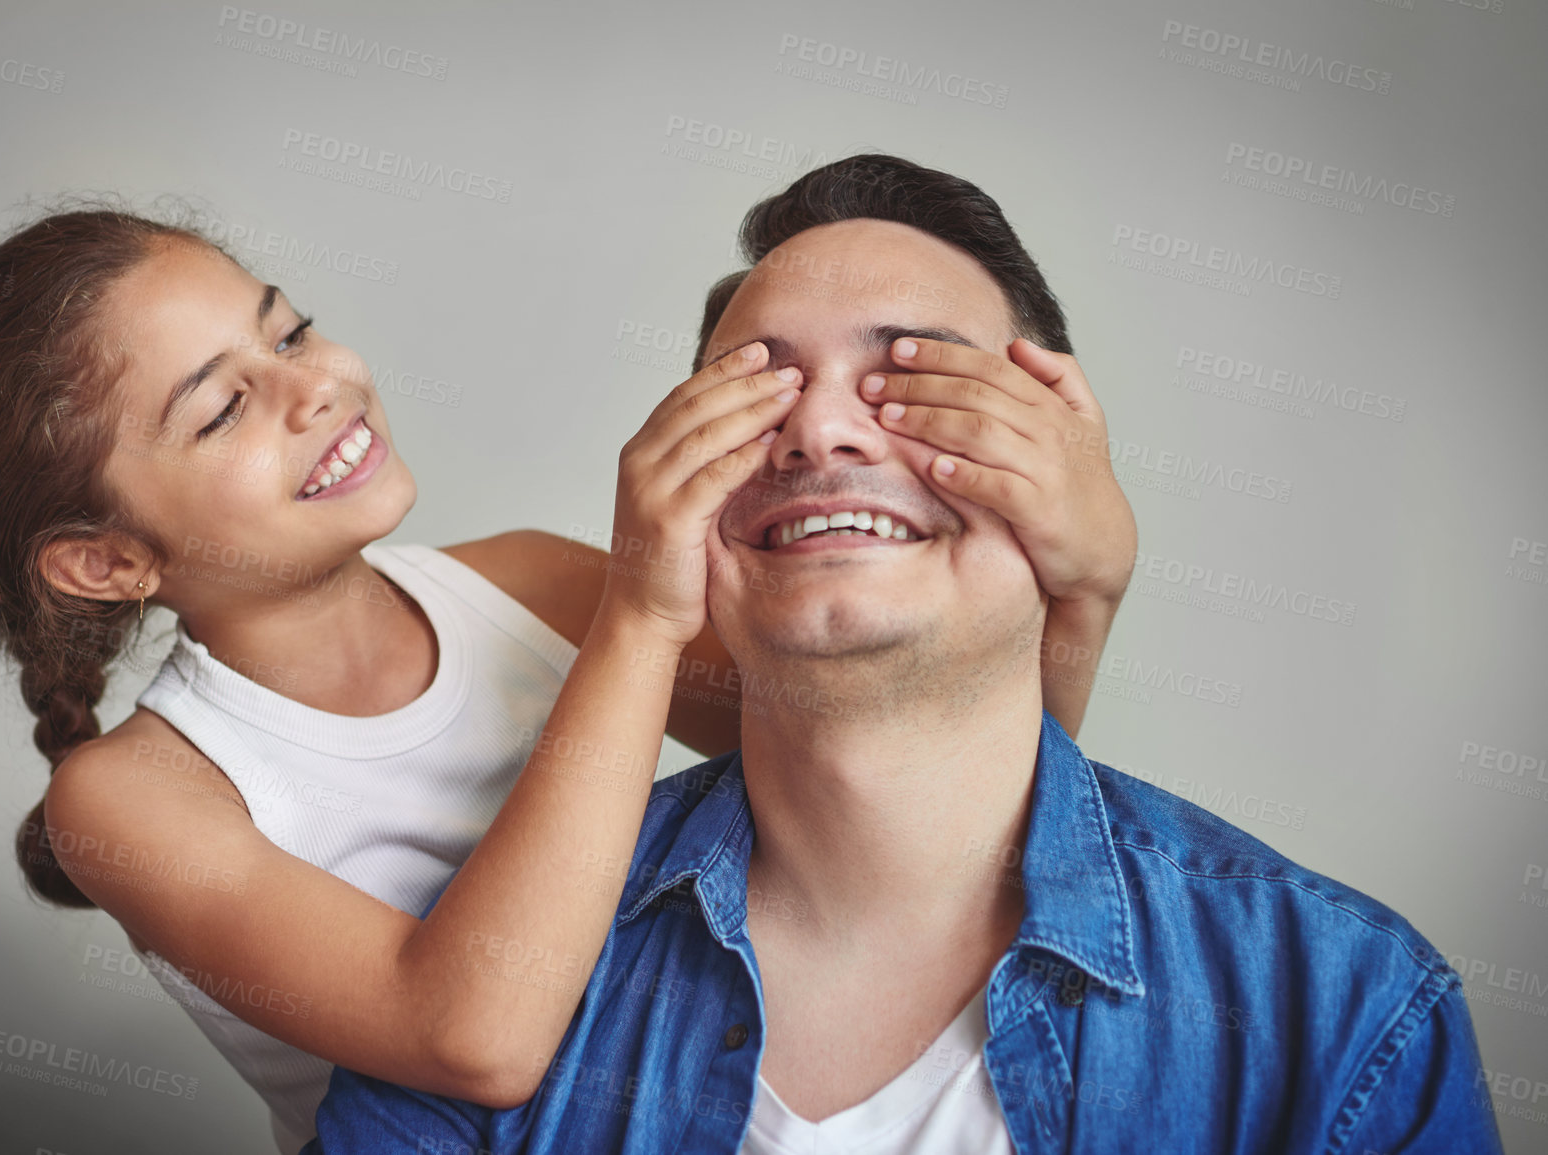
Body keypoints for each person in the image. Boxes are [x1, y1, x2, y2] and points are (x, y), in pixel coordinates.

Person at [307, 155, 1505, 1154]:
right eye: (756, 388)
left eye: (910, 379)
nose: (818, 427)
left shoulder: (1343, 1009)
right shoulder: (492, 981)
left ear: (1068, 460)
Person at [0, 193, 1135, 1152]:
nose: (314, 388)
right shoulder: (129, 804)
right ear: (107, 562)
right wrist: (644, 619)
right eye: (222, 411)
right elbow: (475, 1042)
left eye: (290, 328)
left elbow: (941, 786)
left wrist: (1087, 580)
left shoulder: (532, 583)